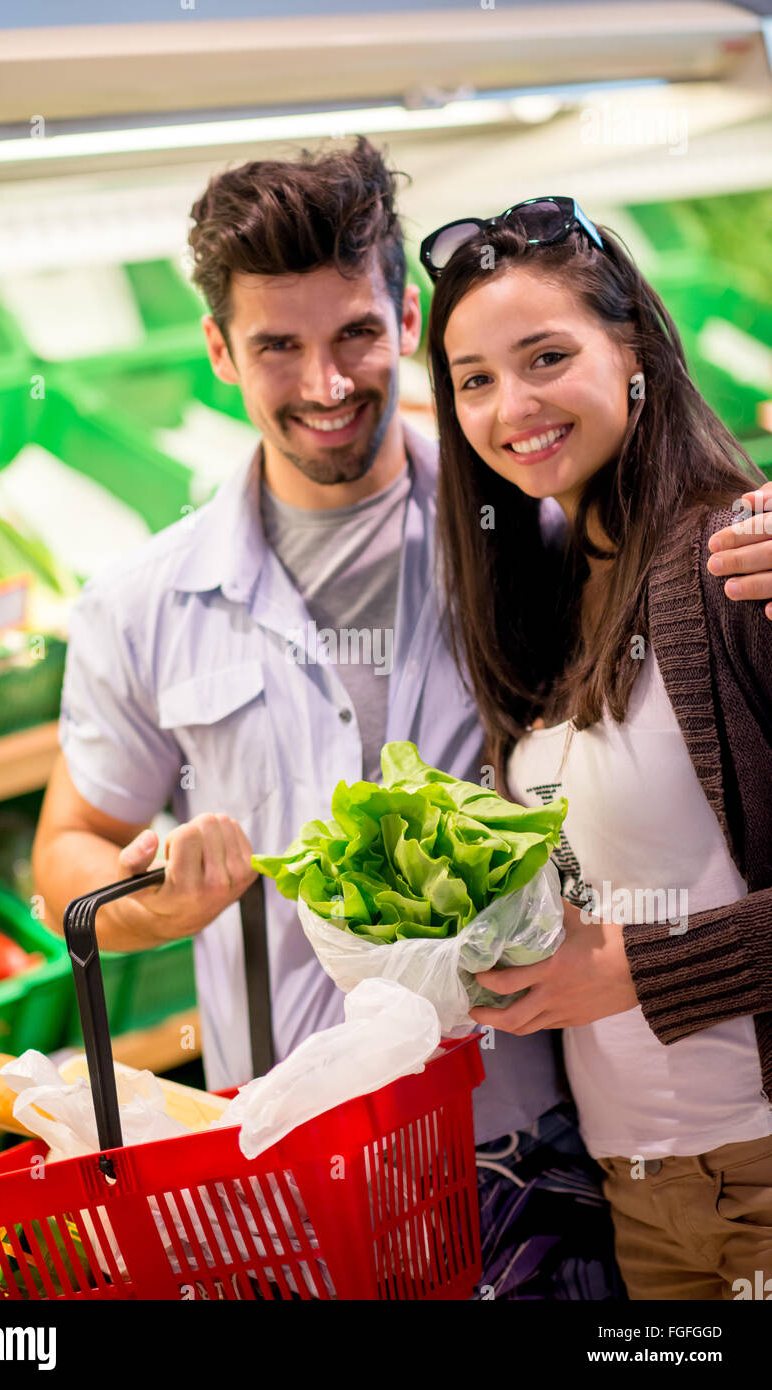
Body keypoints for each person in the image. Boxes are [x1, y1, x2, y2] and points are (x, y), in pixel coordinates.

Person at [32, 148, 772, 1301]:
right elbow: (65, 859)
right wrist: (152, 898)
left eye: (356, 337)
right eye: (278, 345)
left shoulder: (532, 531)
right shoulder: (142, 604)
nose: (325, 382)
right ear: (222, 352)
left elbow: (693, 531)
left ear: (404, 317)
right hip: (287, 1167)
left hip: (539, 1155)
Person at [421, 195, 772, 1299]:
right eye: (474, 378)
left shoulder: (737, 559)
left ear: (635, 356)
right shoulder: (549, 588)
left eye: (546, 356)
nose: (510, 406)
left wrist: (631, 969)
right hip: (639, 1193)